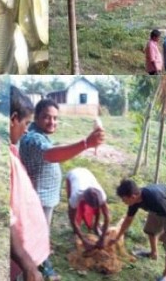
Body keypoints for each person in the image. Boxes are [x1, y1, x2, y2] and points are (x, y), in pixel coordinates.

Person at [19, 99, 105, 232]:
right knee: (37, 238)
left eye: (55, 118)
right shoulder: (33, 138)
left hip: (42, 199)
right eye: (46, 117)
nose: (52, 122)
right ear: (36, 118)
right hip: (38, 201)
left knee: (40, 234)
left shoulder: (41, 135)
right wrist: (86, 143)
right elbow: (51, 154)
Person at [9, 86, 57, 281]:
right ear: (13, 119)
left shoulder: (12, 148)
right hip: (21, 254)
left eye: (55, 118)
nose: (26, 128)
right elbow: (9, 216)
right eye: (26, 122)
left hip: (26, 240)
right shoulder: (34, 138)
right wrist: (28, 265)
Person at [111, 179, 166, 281]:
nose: (123, 202)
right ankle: (153, 254)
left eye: (124, 199)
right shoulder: (134, 201)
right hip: (155, 210)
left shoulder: (156, 199)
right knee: (150, 231)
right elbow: (128, 220)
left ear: (132, 197)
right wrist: (117, 236)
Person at [65, 167, 110, 250]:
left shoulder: (101, 195)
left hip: (86, 173)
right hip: (73, 174)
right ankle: (77, 233)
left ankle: (96, 226)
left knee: (96, 210)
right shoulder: (76, 195)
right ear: (84, 199)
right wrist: (84, 240)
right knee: (76, 214)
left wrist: (102, 238)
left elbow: (107, 217)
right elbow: (72, 219)